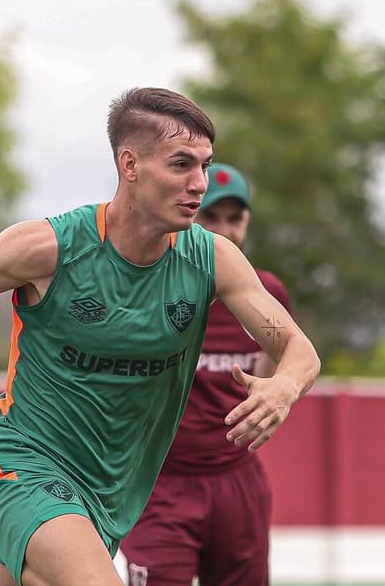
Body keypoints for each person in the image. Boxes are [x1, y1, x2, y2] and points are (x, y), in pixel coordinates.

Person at [0, 87, 320, 586]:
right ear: (130, 165)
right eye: (182, 164)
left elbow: (299, 349)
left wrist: (283, 387)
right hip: (20, 468)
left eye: (205, 166)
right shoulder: (54, 248)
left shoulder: (212, 259)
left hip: (108, 494)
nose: (199, 184)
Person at [121, 163, 291, 586]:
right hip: (159, 484)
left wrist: (275, 394)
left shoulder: (264, 295)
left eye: (236, 219)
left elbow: (280, 364)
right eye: (212, 217)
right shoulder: (146, 289)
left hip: (237, 483)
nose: (225, 230)